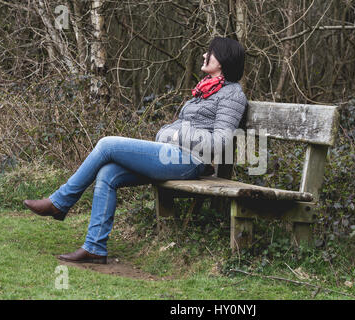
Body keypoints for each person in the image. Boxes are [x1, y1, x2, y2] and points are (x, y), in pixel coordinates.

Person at [23, 37, 247, 264]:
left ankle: (60, 203)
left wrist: (177, 135)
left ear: (223, 60)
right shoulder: (207, 88)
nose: (203, 55)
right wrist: (169, 133)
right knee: (108, 173)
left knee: (107, 144)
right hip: (171, 154)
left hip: (189, 160)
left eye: (210, 52)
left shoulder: (232, 95)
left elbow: (221, 142)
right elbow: (181, 126)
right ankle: (94, 248)